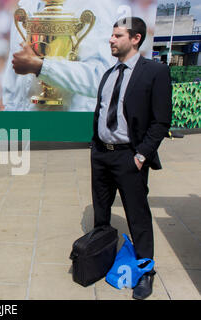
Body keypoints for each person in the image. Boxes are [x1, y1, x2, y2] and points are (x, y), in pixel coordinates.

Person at [90, 17, 172, 300]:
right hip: (101, 155)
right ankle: (100, 259)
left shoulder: (155, 72)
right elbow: (102, 111)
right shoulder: (109, 73)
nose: (111, 40)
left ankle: (145, 271)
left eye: (117, 35)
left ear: (135, 38)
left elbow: (161, 122)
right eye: (111, 35)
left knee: (138, 218)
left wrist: (140, 156)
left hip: (129, 158)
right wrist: (95, 148)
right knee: (101, 215)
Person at [4, 0, 125, 111]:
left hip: (71, 126)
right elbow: (13, 82)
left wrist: (42, 67)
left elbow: (102, 79)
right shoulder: (26, 4)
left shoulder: (95, 5)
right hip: (25, 125)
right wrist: (10, 116)